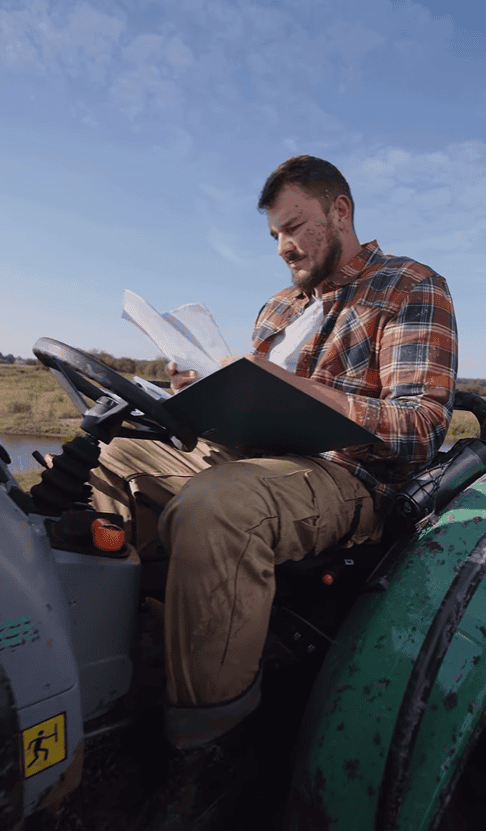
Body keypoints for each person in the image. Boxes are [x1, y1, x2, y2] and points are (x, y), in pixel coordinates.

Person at [89, 155, 458, 827]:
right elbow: (244, 404)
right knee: (113, 458)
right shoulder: (279, 305)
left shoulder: (409, 286)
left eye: (294, 228)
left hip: (343, 475)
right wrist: (195, 388)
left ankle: (207, 754)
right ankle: (128, 659)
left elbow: (420, 426)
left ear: (340, 211)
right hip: (238, 455)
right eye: (273, 237)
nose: (283, 246)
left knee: (218, 508)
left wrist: (305, 390)